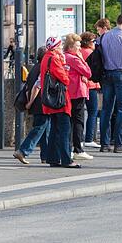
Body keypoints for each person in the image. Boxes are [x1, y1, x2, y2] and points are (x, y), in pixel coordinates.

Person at [99, 14, 122, 154]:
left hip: (107, 74)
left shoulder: (105, 37)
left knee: (106, 109)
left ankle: (104, 143)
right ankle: (119, 143)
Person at [41, 37, 80, 168]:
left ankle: (53, 158)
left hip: (51, 101)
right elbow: (64, 79)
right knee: (64, 130)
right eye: (59, 46)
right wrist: (66, 68)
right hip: (60, 100)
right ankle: (66, 159)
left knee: (54, 130)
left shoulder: (46, 57)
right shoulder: (54, 58)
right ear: (56, 47)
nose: (60, 48)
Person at [13, 47, 49, 164]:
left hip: (36, 104)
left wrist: (29, 102)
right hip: (40, 103)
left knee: (45, 129)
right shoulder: (42, 68)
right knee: (40, 128)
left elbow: (28, 87)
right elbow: (36, 87)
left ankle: (46, 156)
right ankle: (23, 151)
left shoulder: (34, 68)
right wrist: (30, 102)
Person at [63, 33, 93, 161]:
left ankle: (69, 147)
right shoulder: (74, 58)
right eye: (77, 45)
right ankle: (78, 149)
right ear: (70, 46)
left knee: (69, 121)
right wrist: (81, 59)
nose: (79, 48)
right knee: (78, 120)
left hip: (68, 92)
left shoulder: (64, 56)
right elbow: (88, 72)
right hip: (77, 91)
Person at [79, 32, 100, 148]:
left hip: (81, 86)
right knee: (93, 112)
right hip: (91, 85)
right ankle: (89, 137)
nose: (94, 44)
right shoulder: (90, 53)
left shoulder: (79, 52)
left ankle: (80, 137)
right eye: (93, 41)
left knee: (81, 112)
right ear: (88, 42)